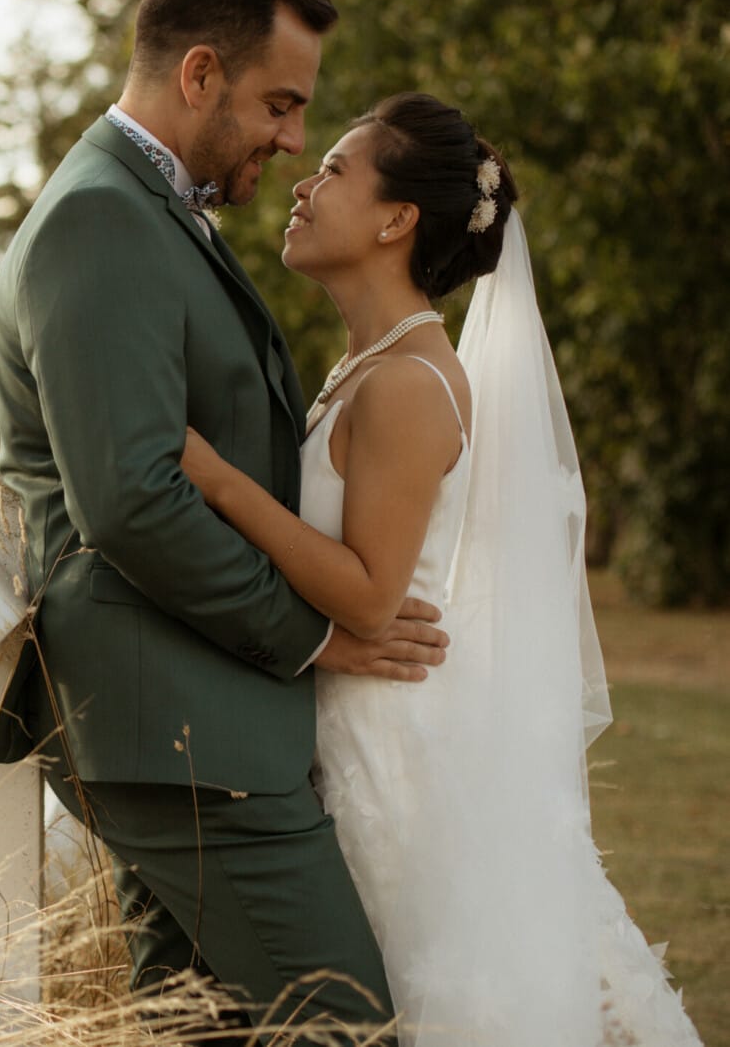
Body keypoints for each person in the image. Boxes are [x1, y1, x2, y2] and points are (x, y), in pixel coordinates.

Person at [0, 0, 447, 1039]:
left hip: (187, 725)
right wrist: (313, 635)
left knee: (200, 1028)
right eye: (280, 105)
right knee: (347, 1025)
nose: (292, 140)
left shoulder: (152, 212)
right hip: (183, 737)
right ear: (198, 74)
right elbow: (133, 498)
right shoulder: (102, 219)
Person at [179, 91, 703, 1045]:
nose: (303, 181)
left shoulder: (410, 382)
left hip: (396, 753)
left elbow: (374, 594)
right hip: (354, 727)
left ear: (396, 219)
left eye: (334, 169)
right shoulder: (367, 367)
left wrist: (218, 482)